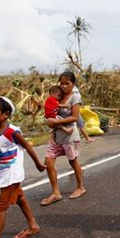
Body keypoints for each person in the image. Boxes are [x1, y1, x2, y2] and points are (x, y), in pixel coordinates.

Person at [0, 97, 45, 238]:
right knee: (20, 198)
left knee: (0, 210)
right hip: (3, 175)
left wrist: (38, 164)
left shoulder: (12, 132)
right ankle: (33, 226)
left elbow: (27, 146)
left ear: (6, 114)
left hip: (11, 176)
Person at [41, 71, 86, 206]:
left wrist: (56, 122)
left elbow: (74, 117)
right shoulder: (58, 95)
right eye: (62, 83)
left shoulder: (75, 97)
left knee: (73, 162)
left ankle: (80, 187)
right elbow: (51, 110)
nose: (64, 86)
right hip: (56, 135)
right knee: (48, 163)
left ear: (73, 83)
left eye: (67, 83)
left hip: (69, 135)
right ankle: (56, 193)